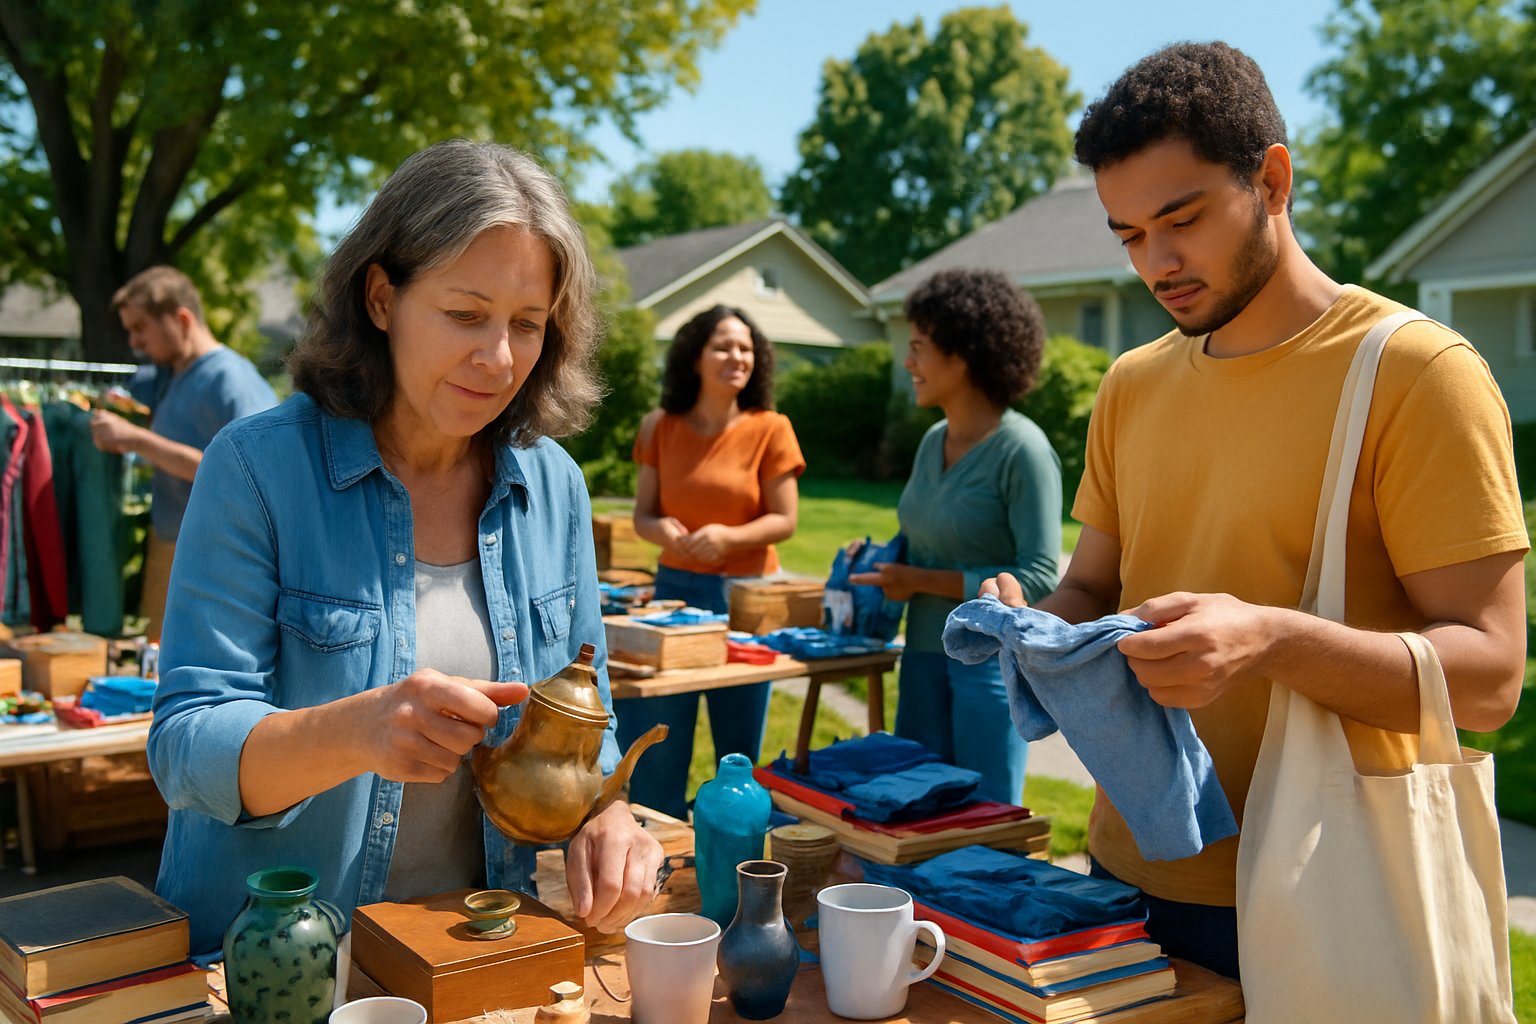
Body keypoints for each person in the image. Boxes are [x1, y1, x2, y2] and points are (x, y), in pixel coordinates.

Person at [982, 42, 1527, 979]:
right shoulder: (1130, 385)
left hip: (1332, 891)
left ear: (1272, 179)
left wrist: (1272, 640)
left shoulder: (1417, 373)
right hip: (1124, 876)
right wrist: (1039, 626)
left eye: (1181, 218)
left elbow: (1488, 679)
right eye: (1127, 235)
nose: (1157, 263)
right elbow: (1093, 583)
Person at [146, 140, 663, 955]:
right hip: (274, 973)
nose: (498, 360)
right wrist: (360, 731)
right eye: (465, 314)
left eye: (527, 325)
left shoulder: (553, 484)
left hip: (474, 958)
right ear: (381, 296)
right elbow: (185, 749)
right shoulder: (254, 469)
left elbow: (584, 720)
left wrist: (610, 816)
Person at [849, 269, 1061, 805]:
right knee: (915, 815)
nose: (908, 362)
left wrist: (918, 579)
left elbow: (1037, 576)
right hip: (921, 656)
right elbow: (920, 532)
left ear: (962, 355)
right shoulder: (931, 441)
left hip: (988, 671)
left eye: (919, 348)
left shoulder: (1023, 451)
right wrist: (880, 561)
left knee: (983, 824)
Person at [618, 304, 805, 819]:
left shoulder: (772, 428)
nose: (737, 357)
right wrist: (665, 533)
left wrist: (729, 538)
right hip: (673, 594)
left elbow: (784, 519)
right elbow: (644, 516)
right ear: (694, 357)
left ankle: (734, 851)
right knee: (659, 736)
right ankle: (656, 852)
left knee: (738, 748)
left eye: (746, 347)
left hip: (745, 600)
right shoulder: (660, 426)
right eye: (723, 346)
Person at [89, 266, 278, 641]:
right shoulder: (172, 374)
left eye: (140, 327)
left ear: (181, 319)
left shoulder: (232, 380)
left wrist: (137, 440)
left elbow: (257, 475)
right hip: (171, 545)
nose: (134, 342)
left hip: (219, 557)